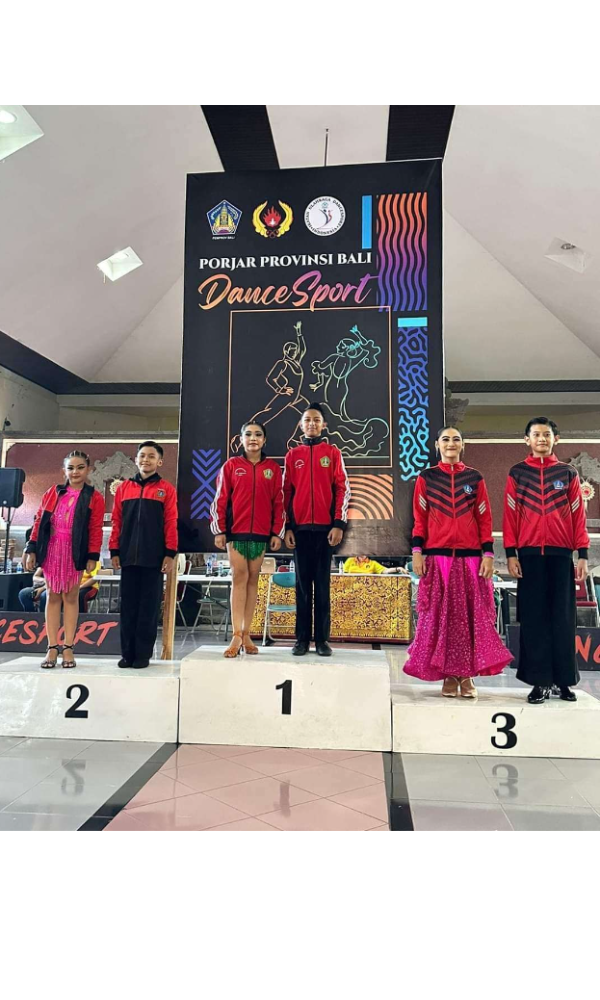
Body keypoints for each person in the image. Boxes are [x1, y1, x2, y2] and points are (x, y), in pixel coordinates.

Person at [404, 427, 513, 698]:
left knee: (469, 619)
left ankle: (466, 676)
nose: (451, 443)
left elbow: (484, 518)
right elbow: (419, 517)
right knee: (441, 619)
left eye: (456, 439)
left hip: (470, 559)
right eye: (446, 439)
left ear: (462, 445)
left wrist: (488, 555)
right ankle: (448, 676)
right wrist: (417, 551)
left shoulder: (474, 478)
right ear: (437, 445)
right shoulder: (427, 478)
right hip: (437, 559)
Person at [503, 417, 589, 705]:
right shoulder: (518, 473)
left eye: (547, 434)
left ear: (556, 439)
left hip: (561, 555)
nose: (542, 438)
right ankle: (540, 682)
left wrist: (582, 554)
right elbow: (510, 515)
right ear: (526, 440)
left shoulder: (568, 473)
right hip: (529, 557)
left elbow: (578, 515)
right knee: (534, 620)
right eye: (536, 434)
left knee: (563, 619)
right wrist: (511, 553)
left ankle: (563, 681)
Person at [25, 451, 105, 669]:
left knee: (70, 597)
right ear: (64, 471)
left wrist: (92, 555)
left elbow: (95, 528)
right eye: (70, 468)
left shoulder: (94, 497)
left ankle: (68, 647)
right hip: (52, 550)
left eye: (80, 467)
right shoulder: (53, 492)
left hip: (75, 551)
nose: (75, 472)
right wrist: (31, 548)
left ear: (88, 469)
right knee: (52, 596)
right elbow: (39, 521)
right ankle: (52, 647)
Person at [212, 422, 285, 658]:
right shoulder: (231, 466)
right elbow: (220, 499)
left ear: (264, 440)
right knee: (239, 576)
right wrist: (220, 530)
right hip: (236, 531)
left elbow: (279, 503)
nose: (253, 438)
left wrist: (276, 532)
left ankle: (247, 634)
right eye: (248, 434)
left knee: (253, 578)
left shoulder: (273, 469)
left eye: (258, 435)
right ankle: (236, 634)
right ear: (241, 439)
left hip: (262, 533)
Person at [284, 404, 351, 657]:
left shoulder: (332, 453)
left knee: (322, 586)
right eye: (307, 420)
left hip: (325, 531)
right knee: (302, 587)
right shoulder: (293, 455)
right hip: (300, 531)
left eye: (316, 420)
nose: (311, 423)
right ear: (301, 425)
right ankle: (301, 640)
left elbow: (342, 488)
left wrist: (338, 524)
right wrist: (288, 527)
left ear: (324, 425)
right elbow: (285, 493)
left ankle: (322, 640)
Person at [110, 442, 178, 670]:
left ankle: (143, 654)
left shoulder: (166, 490)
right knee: (128, 607)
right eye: (142, 455)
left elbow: (170, 522)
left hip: (154, 558)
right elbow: (116, 521)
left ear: (159, 461)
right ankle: (127, 654)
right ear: (136, 459)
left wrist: (170, 553)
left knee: (148, 608)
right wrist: (114, 550)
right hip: (128, 556)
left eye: (151, 456)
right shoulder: (124, 488)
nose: (145, 460)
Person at [343, 556, 408, 575]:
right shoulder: (350, 560)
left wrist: (398, 569)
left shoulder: (373, 563)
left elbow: (386, 571)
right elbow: (343, 574)